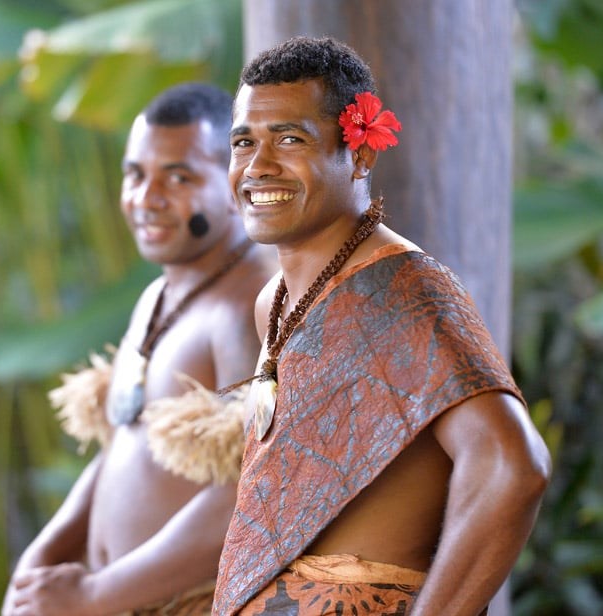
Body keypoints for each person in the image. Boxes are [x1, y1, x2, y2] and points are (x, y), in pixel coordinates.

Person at [213, 36, 552, 616]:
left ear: (361, 154)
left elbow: (512, 466)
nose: (257, 165)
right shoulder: (273, 301)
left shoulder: (406, 288)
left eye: (290, 139)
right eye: (244, 142)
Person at [2, 82, 277, 616]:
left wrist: (93, 595)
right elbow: (121, 445)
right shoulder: (157, 297)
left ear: (234, 181)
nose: (146, 198)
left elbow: (251, 491)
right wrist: (38, 563)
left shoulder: (247, 303)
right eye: (135, 174)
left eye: (178, 177)